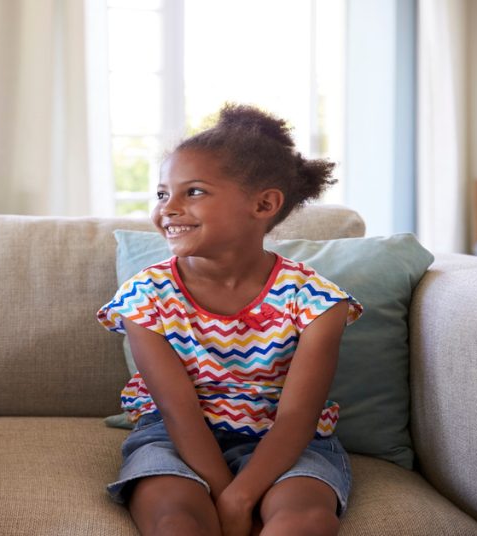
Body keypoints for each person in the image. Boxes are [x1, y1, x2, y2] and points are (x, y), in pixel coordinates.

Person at [96, 104, 362, 536]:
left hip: (288, 442)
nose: (169, 208)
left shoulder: (316, 301)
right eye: (163, 194)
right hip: (174, 438)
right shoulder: (145, 298)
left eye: (194, 192)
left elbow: (297, 416)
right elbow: (177, 410)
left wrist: (241, 497)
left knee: (306, 521)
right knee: (175, 521)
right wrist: (223, 493)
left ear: (263, 204)